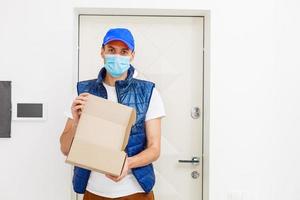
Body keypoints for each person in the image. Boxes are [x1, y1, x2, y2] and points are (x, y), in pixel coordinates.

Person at [59, 28, 166, 200]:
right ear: (102, 52)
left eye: (124, 52)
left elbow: (154, 149)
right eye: (111, 50)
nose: (117, 56)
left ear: (132, 55)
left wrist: (127, 163)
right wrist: (78, 123)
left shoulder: (148, 92)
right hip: (94, 192)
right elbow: (65, 149)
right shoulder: (83, 92)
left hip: (136, 192)